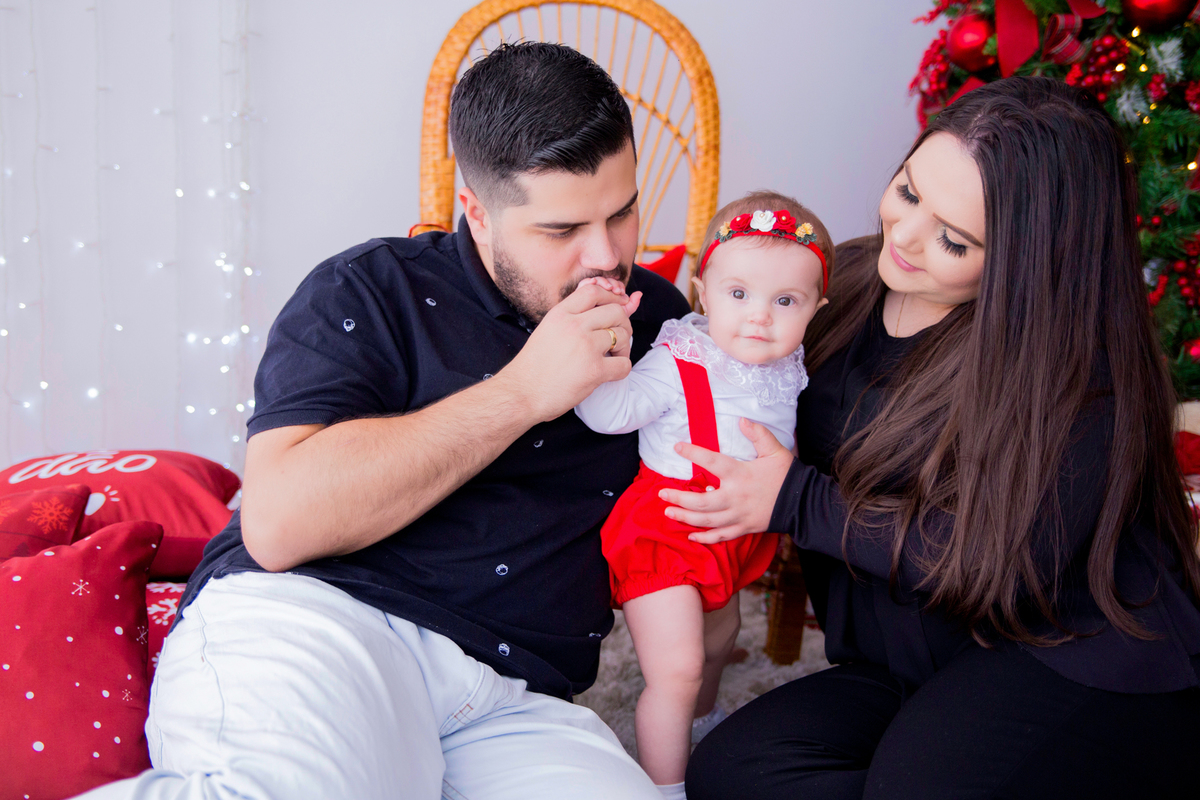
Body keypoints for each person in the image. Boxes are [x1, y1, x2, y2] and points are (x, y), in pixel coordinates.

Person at [74, 42, 691, 800]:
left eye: (623, 212)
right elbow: (278, 522)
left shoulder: (663, 322)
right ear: (479, 213)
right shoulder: (370, 290)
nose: (607, 256)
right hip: (326, 620)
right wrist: (524, 391)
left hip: (514, 694)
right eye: (562, 231)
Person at [674, 77, 1200, 799]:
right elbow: (728, 334)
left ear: (1026, 265)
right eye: (909, 191)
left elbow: (987, 557)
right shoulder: (853, 279)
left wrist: (797, 500)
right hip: (913, 655)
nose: (905, 237)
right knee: (730, 774)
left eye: (954, 239)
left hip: (1065, 652)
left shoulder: (1082, 383)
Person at [573, 191, 834, 797]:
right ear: (703, 292)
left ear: (815, 309)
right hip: (666, 527)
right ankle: (665, 785)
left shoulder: (790, 367)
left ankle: (703, 719)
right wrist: (604, 352)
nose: (759, 316)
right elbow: (615, 412)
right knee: (679, 666)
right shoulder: (681, 356)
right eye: (738, 294)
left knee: (719, 645)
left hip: (732, 531)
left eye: (785, 300)